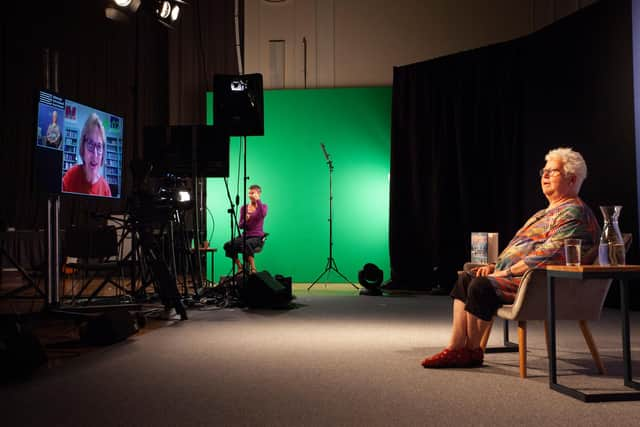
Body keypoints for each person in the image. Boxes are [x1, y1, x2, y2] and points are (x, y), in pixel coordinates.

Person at [421, 147, 600, 369]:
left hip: (540, 284)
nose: (544, 176)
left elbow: (550, 255)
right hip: (517, 277)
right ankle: (457, 347)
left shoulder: (575, 213)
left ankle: (471, 351)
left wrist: (504, 272)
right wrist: (494, 265)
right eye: (543, 171)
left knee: (480, 286)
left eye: (552, 172)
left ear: (571, 179)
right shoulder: (543, 213)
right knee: (466, 278)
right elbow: (517, 248)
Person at [62, 113, 112, 196]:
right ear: (83, 147)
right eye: (90, 144)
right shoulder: (70, 176)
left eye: (99, 146)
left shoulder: (105, 189)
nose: (95, 155)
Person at [224, 185, 267, 273]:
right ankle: (240, 266)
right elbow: (240, 225)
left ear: (259, 194)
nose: (250, 195)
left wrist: (258, 200)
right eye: (249, 193)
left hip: (257, 237)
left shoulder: (263, 207)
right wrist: (245, 220)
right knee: (228, 245)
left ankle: (253, 268)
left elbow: (262, 214)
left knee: (247, 244)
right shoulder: (244, 208)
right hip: (245, 236)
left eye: (253, 193)